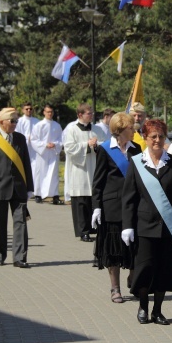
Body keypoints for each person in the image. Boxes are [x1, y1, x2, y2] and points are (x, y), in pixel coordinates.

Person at [121, 119, 172, 325]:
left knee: (163, 270)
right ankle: (143, 306)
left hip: (169, 228)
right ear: (146, 138)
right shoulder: (137, 162)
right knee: (145, 269)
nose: (157, 140)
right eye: (153, 137)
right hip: (144, 227)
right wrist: (127, 226)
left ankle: (157, 310)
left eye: (161, 136)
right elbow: (129, 197)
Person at [92, 113, 142, 303]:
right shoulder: (105, 150)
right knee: (112, 250)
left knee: (134, 248)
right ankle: (115, 288)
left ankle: (133, 278)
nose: (134, 130)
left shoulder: (136, 149)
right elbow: (98, 181)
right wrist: (96, 207)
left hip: (133, 206)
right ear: (120, 130)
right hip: (111, 206)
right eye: (130, 128)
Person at [0, 107, 34, 268]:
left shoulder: (20, 138)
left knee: (21, 224)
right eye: (12, 121)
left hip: (18, 188)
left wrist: (29, 187)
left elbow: (26, 164)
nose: (15, 124)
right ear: (2, 122)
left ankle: (19, 257)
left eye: (16, 121)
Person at [63, 103, 106, 242]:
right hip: (79, 169)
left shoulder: (97, 130)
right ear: (80, 115)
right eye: (89, 113)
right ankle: (83, 231)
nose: (91, 115)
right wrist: (87, 145)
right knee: (81, 201)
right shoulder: (72, 130)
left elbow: (105, 144)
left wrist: (96, 144)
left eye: (92, 112)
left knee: (94, 199)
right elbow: (69, 148)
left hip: (94, 167)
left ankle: (96, 228)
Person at [30, 105, 63, 204]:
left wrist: (55, 144)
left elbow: (61, 139)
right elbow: (34, 139)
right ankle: (38, 194)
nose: (50, 114)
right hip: (42, 153)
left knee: (54, 173)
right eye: (48, 112)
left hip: (53, 153)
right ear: (44, 112)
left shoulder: (57, 126)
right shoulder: (39, 125)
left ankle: (55, 195)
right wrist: (44, 145)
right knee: (40, 173)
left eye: (51, 112)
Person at [15, 102, 39, 194]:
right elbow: (17, 133)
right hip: (24, 147)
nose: (29, 110)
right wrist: (27, 137)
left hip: (34, 149)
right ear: (22, 110)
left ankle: (35, 190)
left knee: (35, 168)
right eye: (27, 109)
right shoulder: (19, 121)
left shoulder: (37, 121)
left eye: (30, 109)